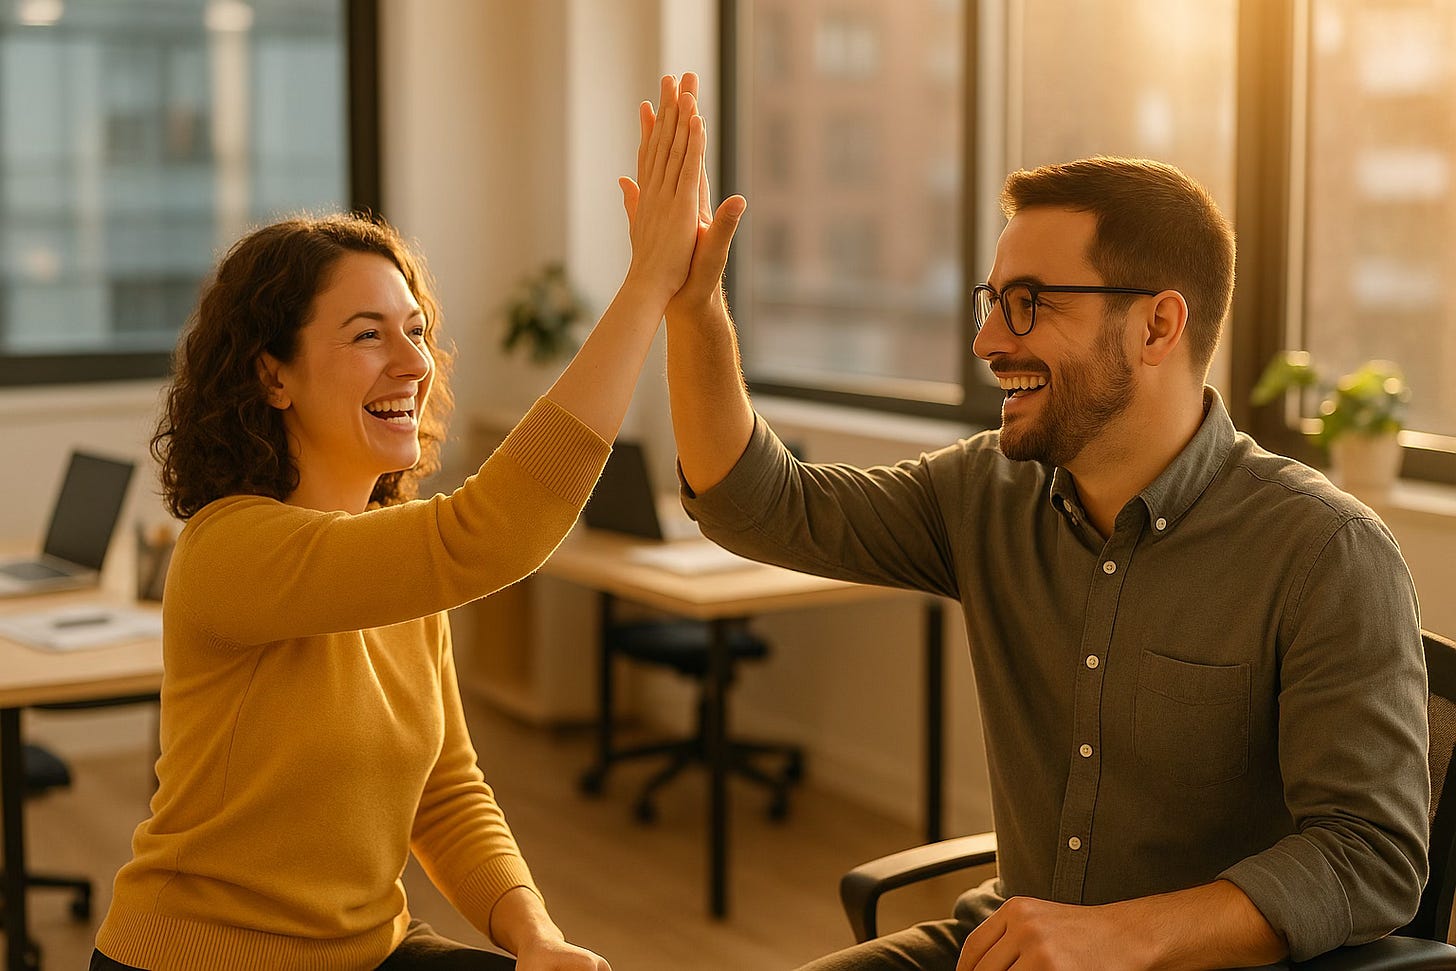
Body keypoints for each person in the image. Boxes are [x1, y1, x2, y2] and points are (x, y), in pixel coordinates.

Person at [657, 154, 1428, 969]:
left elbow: (1370, 853)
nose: (988, 340)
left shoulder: (1324, 552)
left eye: (1026, 303)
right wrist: (693, 307)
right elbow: (755, 504)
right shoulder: (983, 492)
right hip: (1006, 946)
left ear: (1158, 326)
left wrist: (1120, 936)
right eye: (993, 301)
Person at [91, 72, 718, 971]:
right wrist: (645, 289)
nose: (412, 363)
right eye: (366, 335)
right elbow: (490, 535)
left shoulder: (401, 558)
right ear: (273, 376)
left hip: (369, 950)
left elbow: (446, 792)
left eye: (416, 330)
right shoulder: (229, 547)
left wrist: (535, 939)